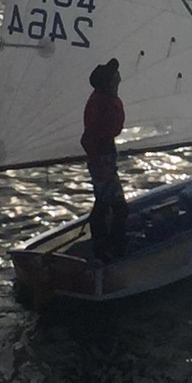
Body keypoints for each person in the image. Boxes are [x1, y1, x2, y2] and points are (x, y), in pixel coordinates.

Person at [80, 58, 128, 260]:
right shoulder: (102, 104)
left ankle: (103, 245)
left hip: (104, 156)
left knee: (103, 203)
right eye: (114, 75)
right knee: (119, 208)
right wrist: (100, 163)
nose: (119, 76)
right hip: (102, 159)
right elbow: (89, 138)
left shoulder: (104, 99)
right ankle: (112, 249)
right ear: (108, 82)